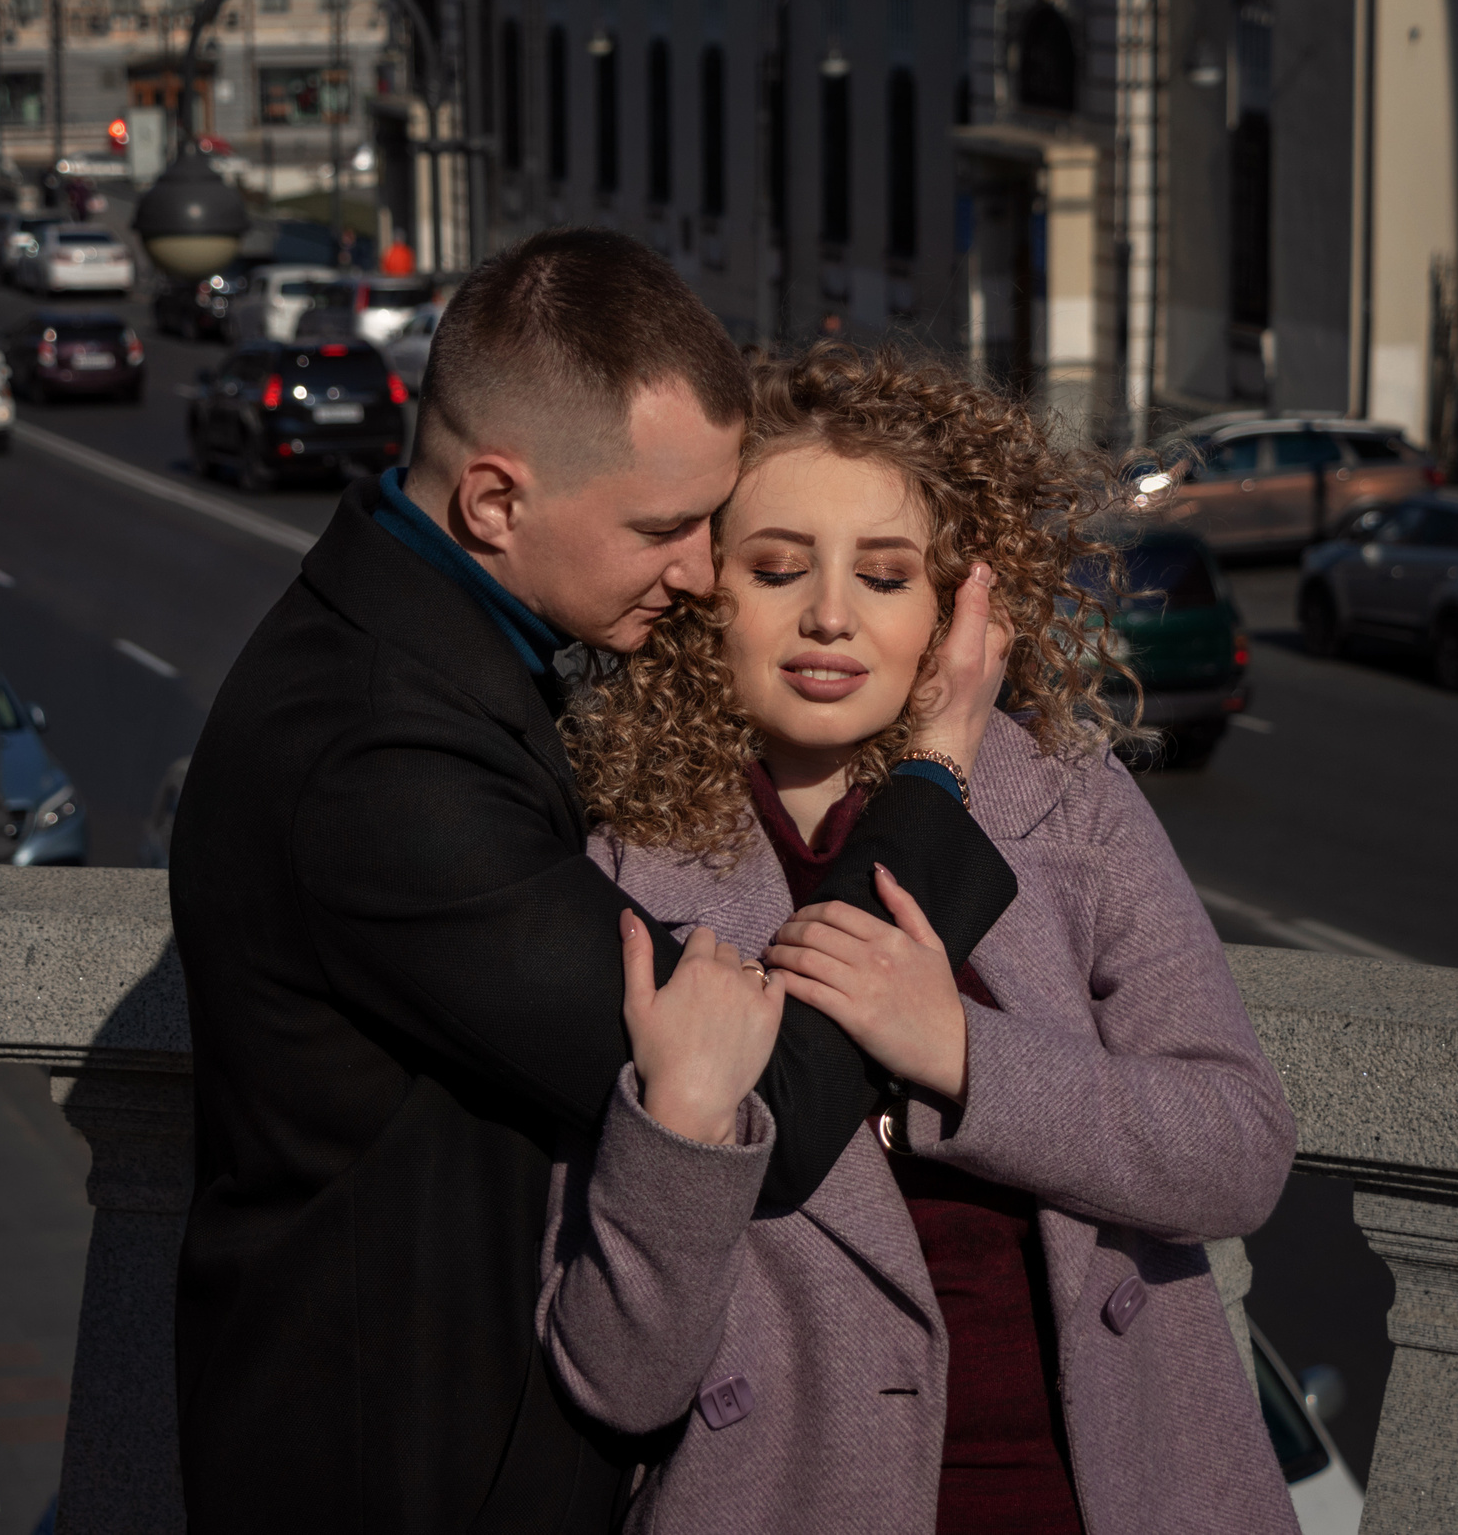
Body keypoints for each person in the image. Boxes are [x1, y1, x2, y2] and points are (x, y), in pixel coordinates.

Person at [166, 228, 1025, 1533]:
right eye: (665, 527)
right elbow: (782, 1107)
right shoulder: (378, 762)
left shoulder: (420, 652)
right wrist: (941, 772)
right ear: (495, 501)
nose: (696, 574)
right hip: (403, 1473)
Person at [540, 344, 1301, 1534]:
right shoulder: (627, 863)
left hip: (1103, 1493)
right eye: (779, 567)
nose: (830, 616)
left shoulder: (1064, 801)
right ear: (704, 589)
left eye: (886, 577)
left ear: (959, 607)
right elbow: (617, 1377)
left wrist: (964, 1056)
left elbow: (1238, 1153)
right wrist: (679, 1136)